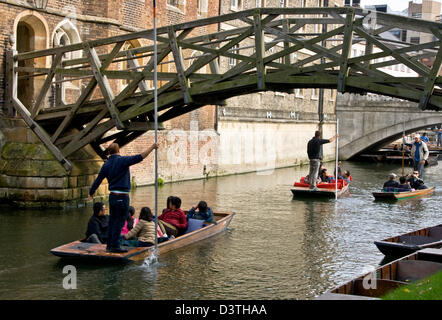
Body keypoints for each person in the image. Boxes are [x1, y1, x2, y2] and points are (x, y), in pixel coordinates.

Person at [88, 142, 158, 253]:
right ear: (118, 151)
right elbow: (140, 157)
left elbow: (98, 180)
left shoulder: (106, 165)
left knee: (112, 221)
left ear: (110, 153)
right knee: (119, 222)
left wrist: (91, 193)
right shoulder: (123, 160)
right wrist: (152, 147)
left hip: (112, 197)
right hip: (122, 196)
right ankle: (115, 246)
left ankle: (109, 245)